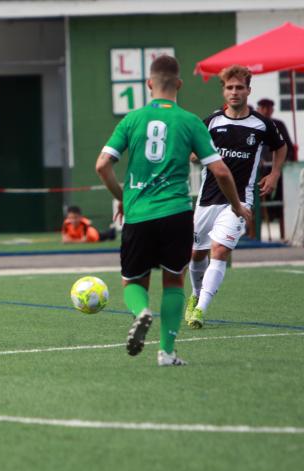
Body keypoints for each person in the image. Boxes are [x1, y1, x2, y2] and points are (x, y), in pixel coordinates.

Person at [95, 56, 251, 366]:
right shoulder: (191, 121)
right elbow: (220, 171)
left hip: (139, 213)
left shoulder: (131, 120)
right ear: (179, 84)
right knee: (174, 282)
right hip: (177, 214)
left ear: (149, 84)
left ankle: (141, 312)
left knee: (132, 283)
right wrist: (236, 205)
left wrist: (123, 198)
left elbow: (102, 165)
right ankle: (167, 352)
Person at [186, 66, 287, 329]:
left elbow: (281, 146)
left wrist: (274, 173)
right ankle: (195, 296)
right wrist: (194, 155)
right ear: (223, 91)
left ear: (248, 91)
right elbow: (193, 152)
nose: (234, 92)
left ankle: (200, 310)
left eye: (239, 87)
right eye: (229, 87)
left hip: (241, 201)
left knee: (219, 251)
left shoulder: (263, 125)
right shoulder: (211, 121)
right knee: (197, 254)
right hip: (208, 199)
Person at [256, 98, 296, 235]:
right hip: (260, 171)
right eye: (263, 107)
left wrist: (281, 164)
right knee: (257, 203)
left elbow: (287, 147)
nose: (266, 110)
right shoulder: (254, 124)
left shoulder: (278, 124)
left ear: (272, 109)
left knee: (281, 202)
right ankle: (254, 234)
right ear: (258, 109)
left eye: (269, 107)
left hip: (277, 172)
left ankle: (284, 233)